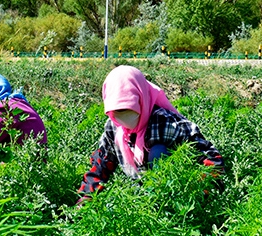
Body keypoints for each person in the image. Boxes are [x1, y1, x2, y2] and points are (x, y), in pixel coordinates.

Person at [78, 65, 224, 197]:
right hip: (142, 191)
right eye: (117, 111)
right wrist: (85, 200)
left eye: (129, 108)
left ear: (142, 99)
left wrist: (201, 193)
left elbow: (210, 158)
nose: (123, 118)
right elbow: (101, 165)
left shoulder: (165, 122)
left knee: (157, 152)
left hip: (176, 190)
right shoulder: (113, 126)